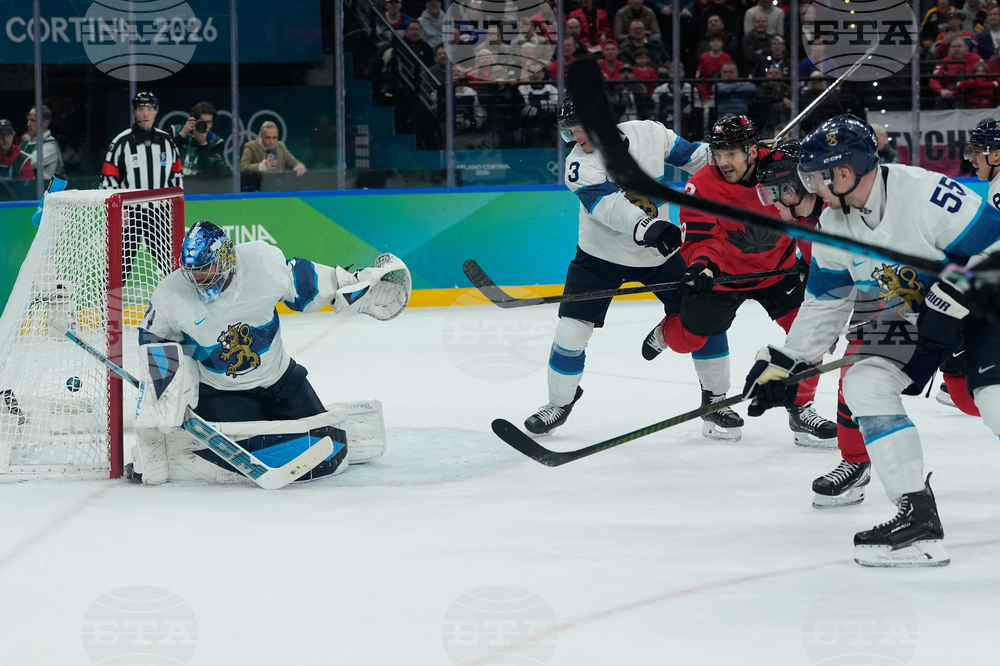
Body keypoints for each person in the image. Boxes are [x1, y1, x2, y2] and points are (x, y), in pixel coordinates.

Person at [744, 114, 1000, 567]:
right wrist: (787, 360)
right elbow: (825, 305)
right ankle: (917, 517)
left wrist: (958, 288)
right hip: (916, 316)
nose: (810, 188)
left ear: (844, 173)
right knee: (865, 380)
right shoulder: (833, 226)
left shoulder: (925, 194)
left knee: (993, 399)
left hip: (986, 307)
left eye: (815, 177)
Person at [131, 221, 410, 485]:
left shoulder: (262, 262)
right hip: (223, 393)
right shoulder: (171, 293)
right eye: (192, 271)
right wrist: (165, 392)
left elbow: (309, 283)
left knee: (321, 435)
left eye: (206, 268)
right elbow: (153, 341)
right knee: (246, 451)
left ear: (226, 258)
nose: (199, 278)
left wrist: (355, 283)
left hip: (281, 380)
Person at [523, 97, 731, 437]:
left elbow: (698, 157)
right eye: (569, 132)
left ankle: (716, 401)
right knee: (571, 332)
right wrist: (647, 226)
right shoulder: (578, 164)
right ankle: (559, 403)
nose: (576, 138)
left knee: (707, 318)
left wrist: (732, 156)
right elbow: (608, 206)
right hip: (598, 258)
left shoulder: (650, 134)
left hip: (660, 257)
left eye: (580, 129)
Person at [643, 115, 837, 446]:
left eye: (730, 154)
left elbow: (806, 215)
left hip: (778, 270)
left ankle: (801, 410)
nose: (722, 162)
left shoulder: (781, 168)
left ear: (751, 150)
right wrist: (703, 265)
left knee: (813, 333)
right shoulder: (702, 185)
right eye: (718, 154)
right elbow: (702, 238)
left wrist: (812, 261)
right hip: (723, 277)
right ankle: (666, 332)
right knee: (689, 339)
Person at [754, 140, 871, 506]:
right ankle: (856, 463)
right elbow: (828, 288)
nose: (771, 203)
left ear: (794, 188)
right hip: (878, 302)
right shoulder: (807, 222)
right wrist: (787, 359)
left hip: (924, 299)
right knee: (964, 394)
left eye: (774, 192)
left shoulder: (853, 212)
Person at [101, 91, 182, 278]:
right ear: (134, 112)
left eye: (149, 109)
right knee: (121, 265)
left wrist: (174, 207)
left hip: (160, 211)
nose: (145, 114)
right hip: (129, 213)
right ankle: (104, 297)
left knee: (170, 263)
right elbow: (107, 179)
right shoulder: (121, 142)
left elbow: (176, 177)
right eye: (140, 109)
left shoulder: (167, 142)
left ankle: (180, 296)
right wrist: (118, 209)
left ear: (156, 112)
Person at [170, 101, 226, 176]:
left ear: (212, 123)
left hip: (200, 182)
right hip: (175, 179)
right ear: (193, 120)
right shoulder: (174, 130)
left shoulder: (217, 142)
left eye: (208, 122)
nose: (205, 125)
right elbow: (165, 157)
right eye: (202, 122)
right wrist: (182, 134)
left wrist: (203, 144)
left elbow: (210, 170)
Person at [929, 36, 985, 107]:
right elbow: (933, 80)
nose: (956, 49)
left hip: (974, 94)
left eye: (959, 46)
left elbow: (986, 76)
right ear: (950, 49)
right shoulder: (943, 62)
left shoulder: (977, 59)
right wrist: (941, 91)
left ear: (966, 48)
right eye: (953, 47)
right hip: (951, 96)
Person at [240, 121, 307, 176]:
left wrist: (299, 167)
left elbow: (295, 162)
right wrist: (261, 166)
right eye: (267, 138)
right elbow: (242, 168)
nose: (271, 141)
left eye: (274, 137)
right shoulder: (251, 147)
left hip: (279, 185)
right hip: (258, 186)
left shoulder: (281, 146)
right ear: (260, 136)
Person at [20, 105, 63, 180]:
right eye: (28, 120)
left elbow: (26, 162)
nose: (28, 124)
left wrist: (7, 147)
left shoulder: (51, 146)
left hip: (42, 187)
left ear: (45, 123)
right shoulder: (25, 144)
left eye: (33, 120)